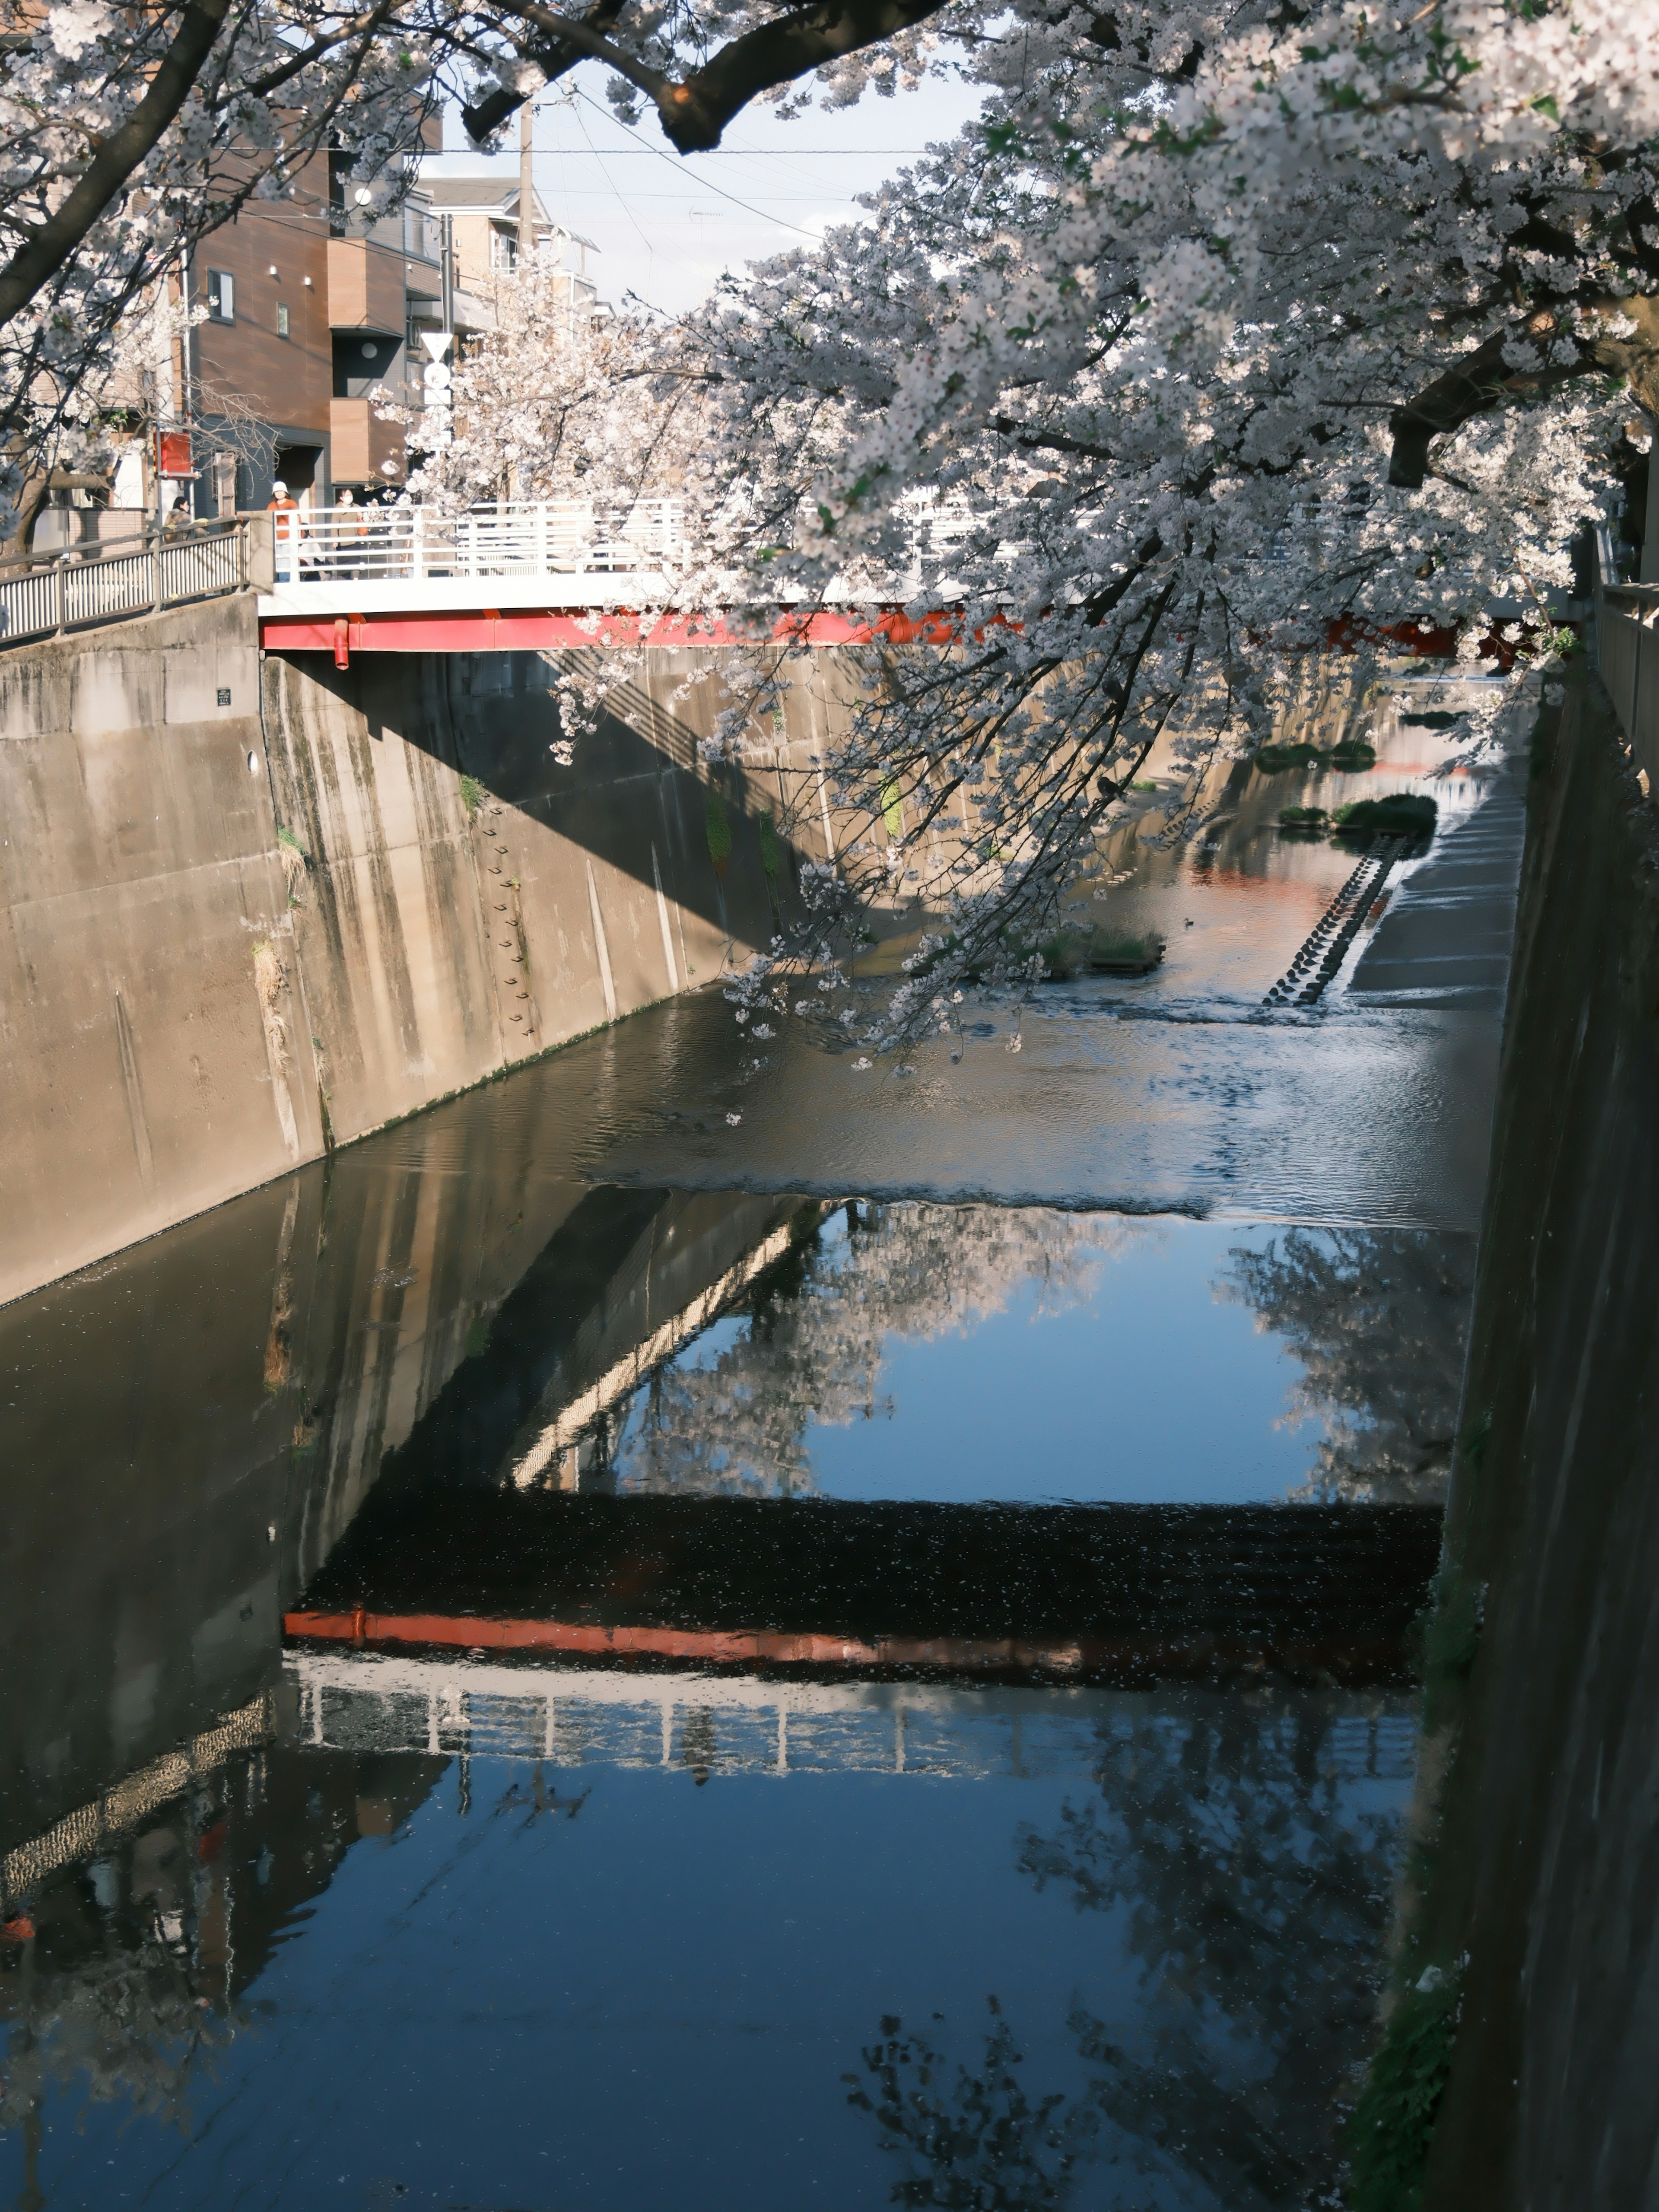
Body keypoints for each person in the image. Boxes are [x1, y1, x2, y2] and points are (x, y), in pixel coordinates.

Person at [268, 478, 299, 582]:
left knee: (285, 560)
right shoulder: (271, 506)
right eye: (277, 491)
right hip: (275, 538)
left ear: (285, 492)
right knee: (279, 560)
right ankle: (281, 581)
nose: (279, 493)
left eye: (281, 491)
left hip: (288, 536)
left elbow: (298, 520)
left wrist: (297, 535)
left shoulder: (292, 504)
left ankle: (284, 582)